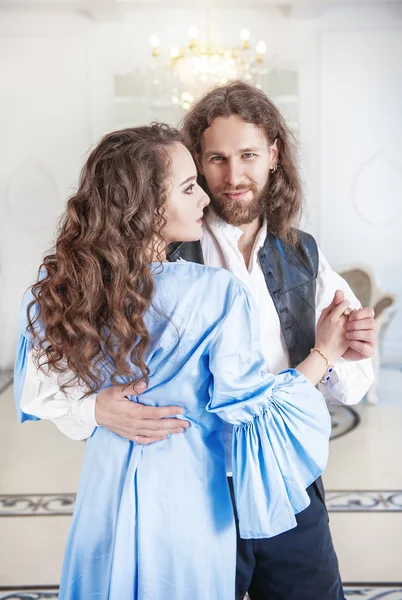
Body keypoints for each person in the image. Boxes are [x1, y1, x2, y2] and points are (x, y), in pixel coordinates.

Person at [15, 124, 353, 599]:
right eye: (190, 187)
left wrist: (95, 409)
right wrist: (325, 353)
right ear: (148, 206)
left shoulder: (67, 286)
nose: (204, 200)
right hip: (190, 497)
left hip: (105, 491)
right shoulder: (215, 292)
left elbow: (37, 390)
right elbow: (254, 413)